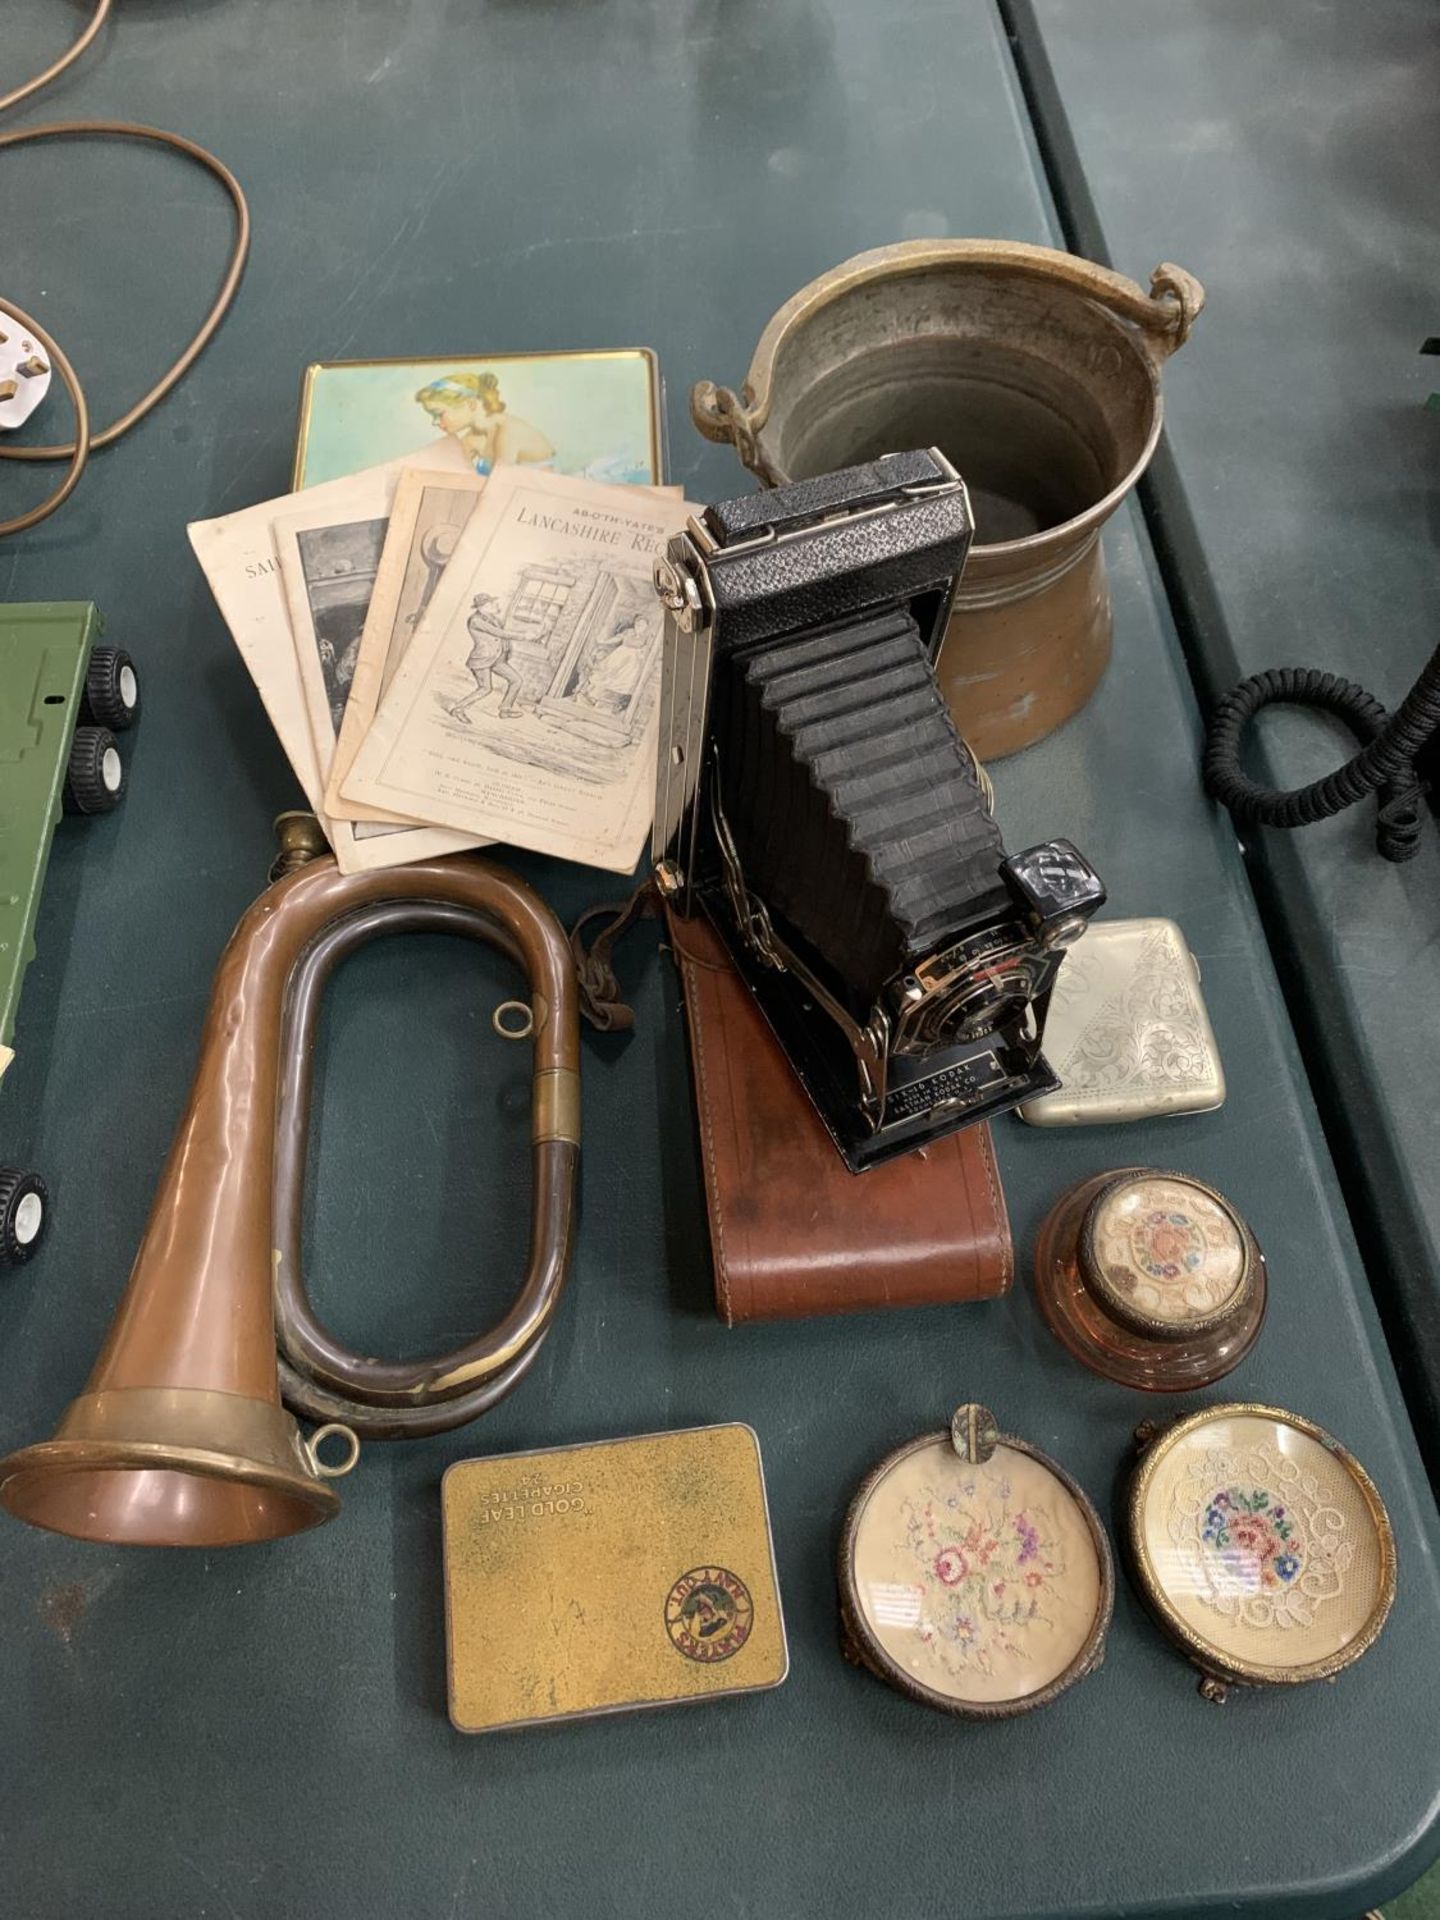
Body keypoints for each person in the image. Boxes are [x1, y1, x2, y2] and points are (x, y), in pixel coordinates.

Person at [415, 371, 555, 475]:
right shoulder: (473, 437)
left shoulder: (508, 432)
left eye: (439, 413)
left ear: (470, 404)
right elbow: (445, 470)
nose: (435, 422)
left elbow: (501, 487)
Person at [450, 593, 524, 722]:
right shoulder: (476, 621)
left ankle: (505, 709)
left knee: (516, 680)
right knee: (485, 688)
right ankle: (458, 708)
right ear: (482, 607)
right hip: (482, 659)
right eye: (491, 603)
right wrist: (524, 636)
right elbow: (499, 633)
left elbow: (500, 637)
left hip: (497, 658)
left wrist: (507, 650)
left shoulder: (494, 619)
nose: (495, 605)